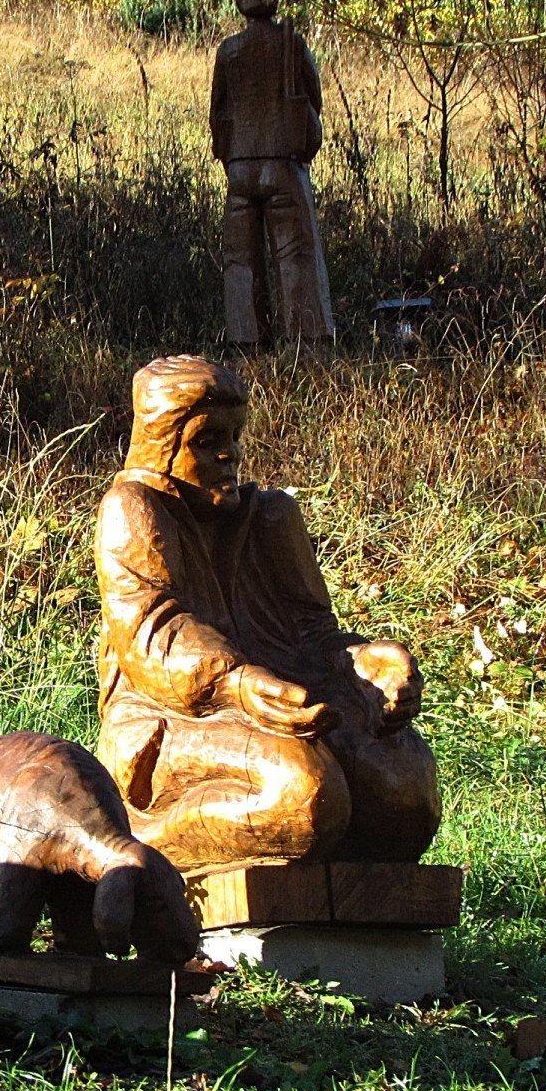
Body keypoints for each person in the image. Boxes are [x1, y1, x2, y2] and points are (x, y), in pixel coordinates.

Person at [93, 356, 439, 872]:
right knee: (304, 794)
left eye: (233, 436)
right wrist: (237, 682)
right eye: (205, 441)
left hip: (283, 701)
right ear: (163, 447)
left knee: (404, 786)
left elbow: (314, 632)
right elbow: (153, 632)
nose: (228, 454)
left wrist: (364, 662)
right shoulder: (135, 508)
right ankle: (141, 843)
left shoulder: (272, 517)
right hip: (170, 716)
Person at [210, 0, 335, 346]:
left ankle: (246, 343)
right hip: (284, 164)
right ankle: (308, 343)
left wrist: (232, 155)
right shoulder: (291, 45)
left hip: (241, 170)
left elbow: (218, 114)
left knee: (240, 262)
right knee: (296, 255)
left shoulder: (228, 52)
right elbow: (314, 98)